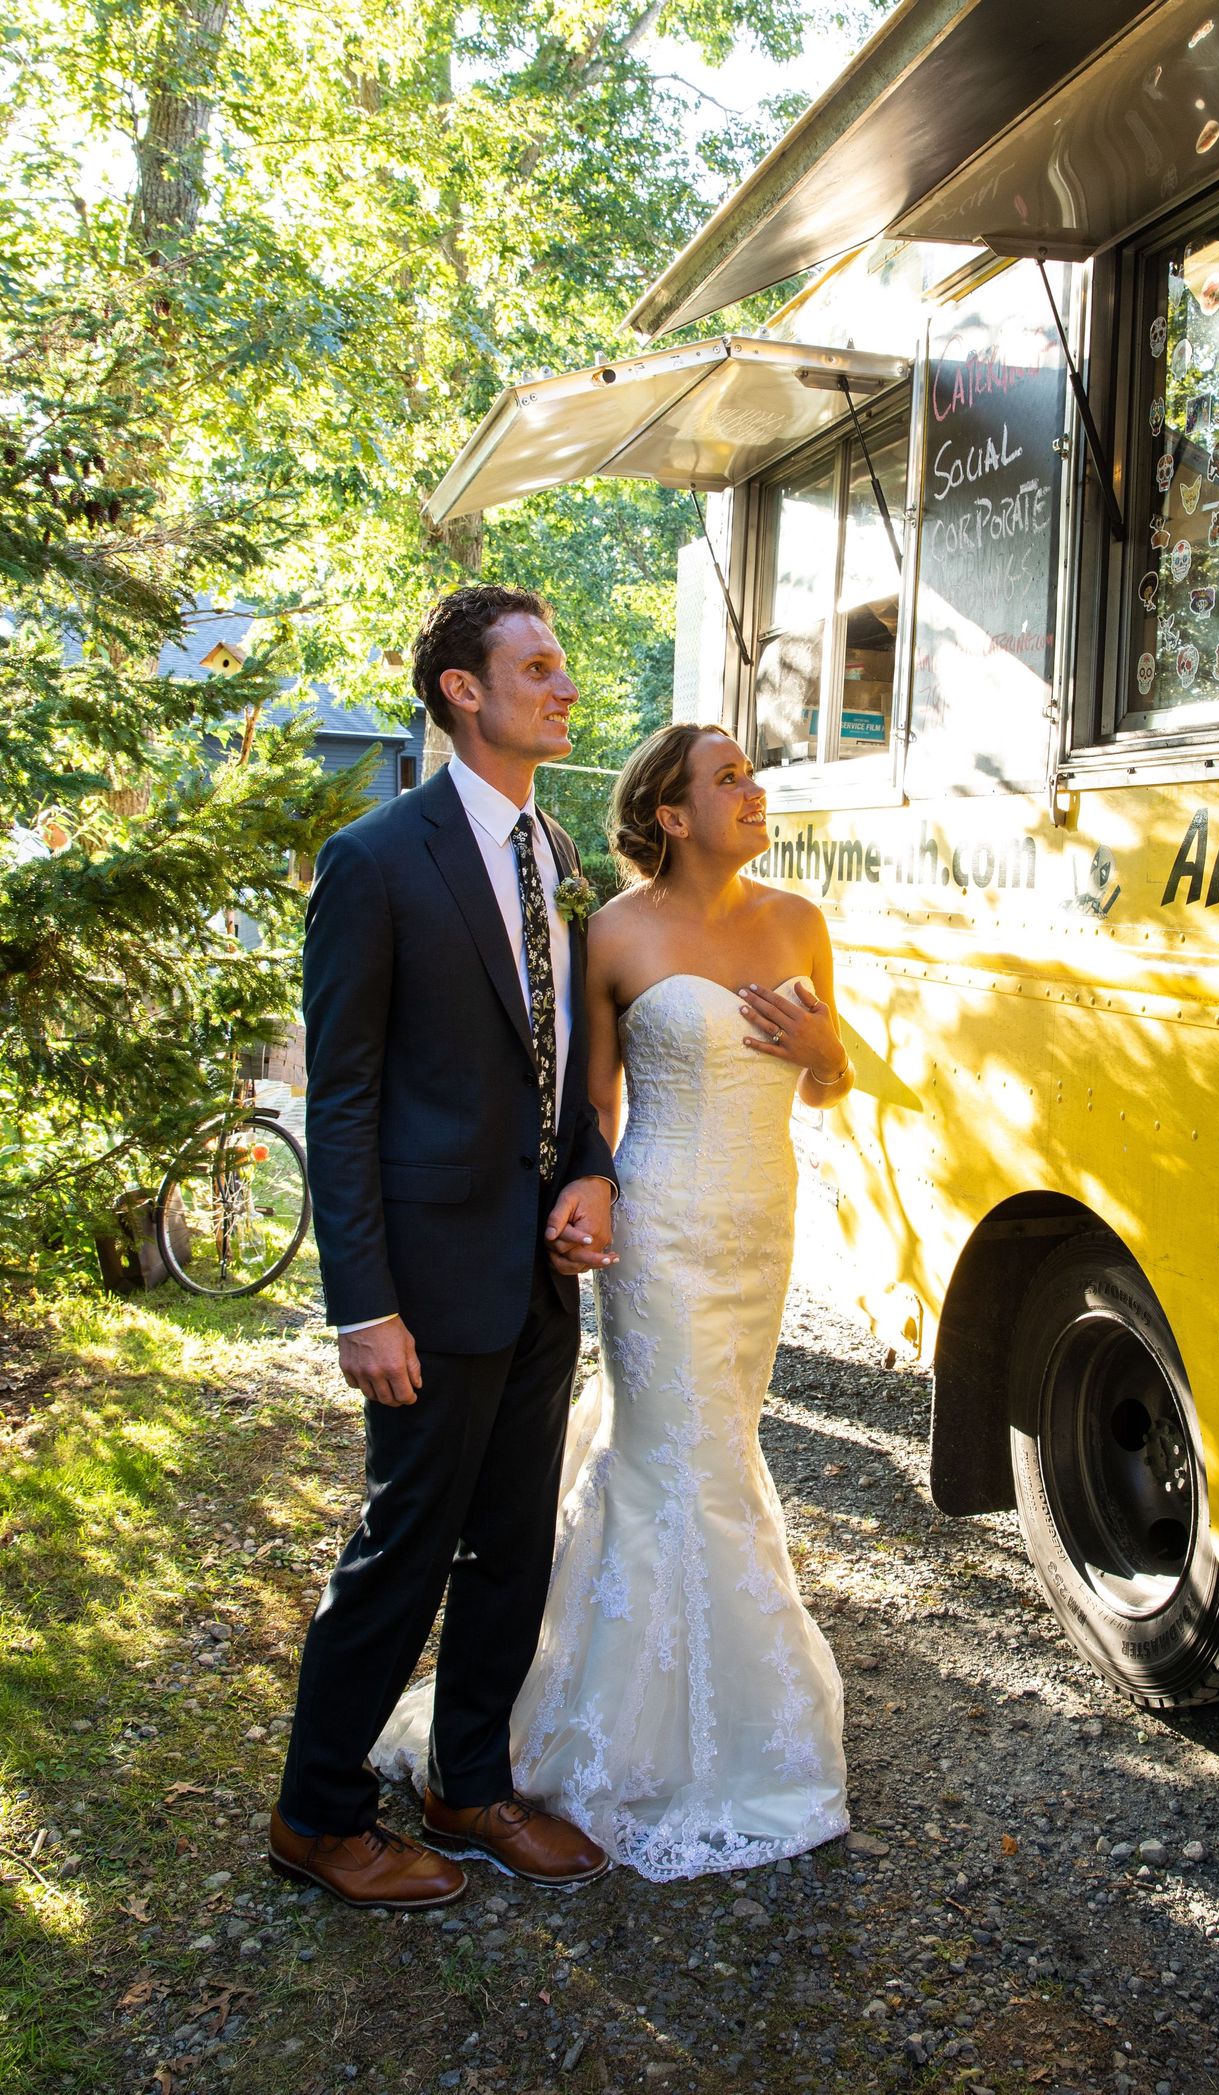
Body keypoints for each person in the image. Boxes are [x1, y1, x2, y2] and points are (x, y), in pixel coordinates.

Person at [376, 722, 854, 1880]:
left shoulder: (800, 924)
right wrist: (581, 1206)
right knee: (678, 1464)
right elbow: (590, 1111)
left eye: (752, 774)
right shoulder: (613, 935)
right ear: (674, 816)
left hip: (759, 1226)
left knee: (723, 1447)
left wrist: (830, 1045)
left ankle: (713, 1718)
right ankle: (649, 1742)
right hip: (664, 1231)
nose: (755, 789)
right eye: (729, 777)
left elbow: (833, 1079)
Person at [269, 586, 621, 1909]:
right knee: (404, 1546)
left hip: (539, 1274)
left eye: (563, 665)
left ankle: (467, 1782)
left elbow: (570, 1060)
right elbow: (343, 1094)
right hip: (423, 1282)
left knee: (513, 1542)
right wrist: (362, 1301)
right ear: (461, 690)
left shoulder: (557, 851)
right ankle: (316, 1812)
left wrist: (591, 1171)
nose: (563, 688)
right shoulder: (376, 860)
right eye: (538, 665)